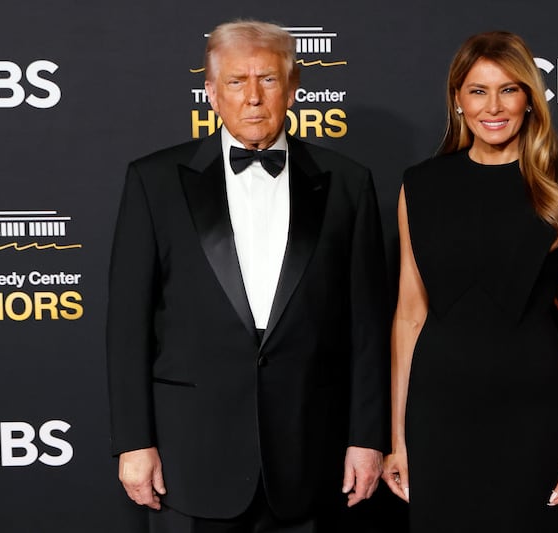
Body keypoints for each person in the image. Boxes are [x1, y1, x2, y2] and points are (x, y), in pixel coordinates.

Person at [105, 19, 391, 533]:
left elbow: (367, 326)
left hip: (310, 452)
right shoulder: (153, 182)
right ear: (212, 93)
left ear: (294, 87)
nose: (254, 98)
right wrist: (133, 441)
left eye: (268, 80)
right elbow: (127, 326)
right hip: (188, 459)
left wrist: (367, 438)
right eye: (237, 82)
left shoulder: (348, 183)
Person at [381, 30, 558, 532]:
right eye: (478, 91)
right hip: (439, 410)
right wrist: (398, 437)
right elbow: (409, 316)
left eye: (509, 89)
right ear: (458, 100)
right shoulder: (420, 185)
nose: (493, 106)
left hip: (531, 408)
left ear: (529, 99)